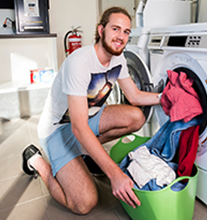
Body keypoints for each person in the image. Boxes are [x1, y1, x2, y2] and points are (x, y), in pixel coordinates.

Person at [21, 6, 161, 215]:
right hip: (57, 131)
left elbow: (134, 96)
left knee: (136, 117)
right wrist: (114, 174)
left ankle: (83, 153)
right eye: (116, 29)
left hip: (89, 119)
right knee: (84, 203)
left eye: (126, 32)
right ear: (101, 29)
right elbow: (78, 127)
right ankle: (37, 161)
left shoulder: (119, 59)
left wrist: (166, 97)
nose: (121, 36)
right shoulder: (80, 62)